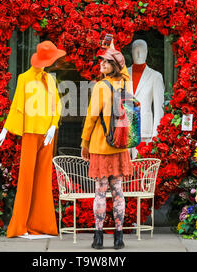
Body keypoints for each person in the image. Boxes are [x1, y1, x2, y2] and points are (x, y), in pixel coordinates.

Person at [0, 40, 66, 239]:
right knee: (26, 179)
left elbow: (56, 105)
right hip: (30, 133)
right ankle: (20, 226)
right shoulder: (25, 78)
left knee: (43, 179)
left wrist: (53, 126)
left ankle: (41, 225)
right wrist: (4, 131)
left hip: (47, 135)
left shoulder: (49, 79)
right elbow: (17, 104)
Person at [81, 41, 133, 250]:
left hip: (101, 146)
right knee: (118, 191)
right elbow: (126, 73)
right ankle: (119, 238)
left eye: (108, 61)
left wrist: (84, 142)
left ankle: (99, 237)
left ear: (115, 65)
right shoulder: (125, 84)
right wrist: (114, 49)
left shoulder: (101, 87)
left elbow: (91, 118)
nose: (102, 63)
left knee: (101, 191)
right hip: (120, 146)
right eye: (102, 60)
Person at [127, 39, 165, 158]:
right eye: (135, 50)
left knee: (143, 169)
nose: (138, 53)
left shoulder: (155, 76)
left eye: (142, 50)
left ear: (147, 52)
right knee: (123, 173)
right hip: (124, 130)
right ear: (131, 52)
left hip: (145, 131)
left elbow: (159, 107)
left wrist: (156, 135)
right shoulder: (123, 74)